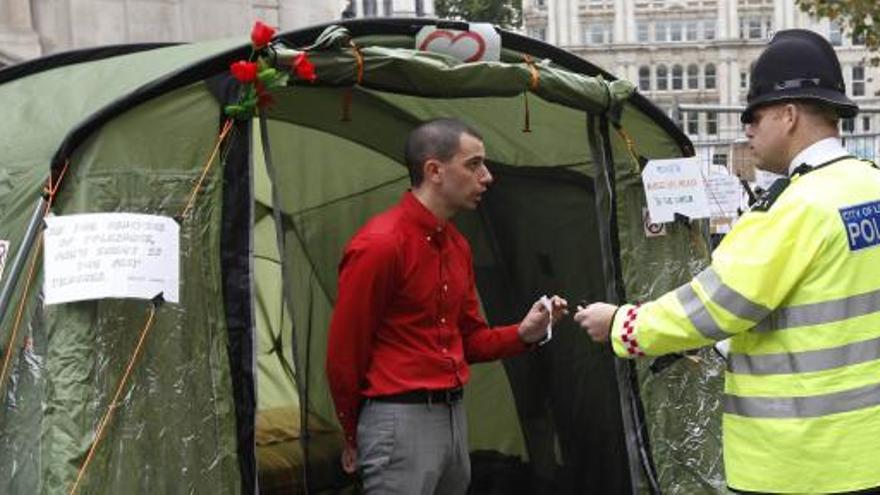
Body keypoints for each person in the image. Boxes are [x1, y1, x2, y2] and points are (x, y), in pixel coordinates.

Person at [575, 29, 880, 494]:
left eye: (753, 116)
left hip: (797, 464)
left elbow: (713, 307)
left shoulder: (792, 209)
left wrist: (621, 324)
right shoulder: (871, 185)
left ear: (789, 115)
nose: (747, 130)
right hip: (867, 454)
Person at [326, 118, 567, 494]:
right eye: (474, 164)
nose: (486, 177)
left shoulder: (457, 245)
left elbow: (469, 341)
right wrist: (351, 431)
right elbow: (344, 352)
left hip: (452, 417)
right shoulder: (380, 245)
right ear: (434, 171)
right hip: (398, 419)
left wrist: (523, 334)